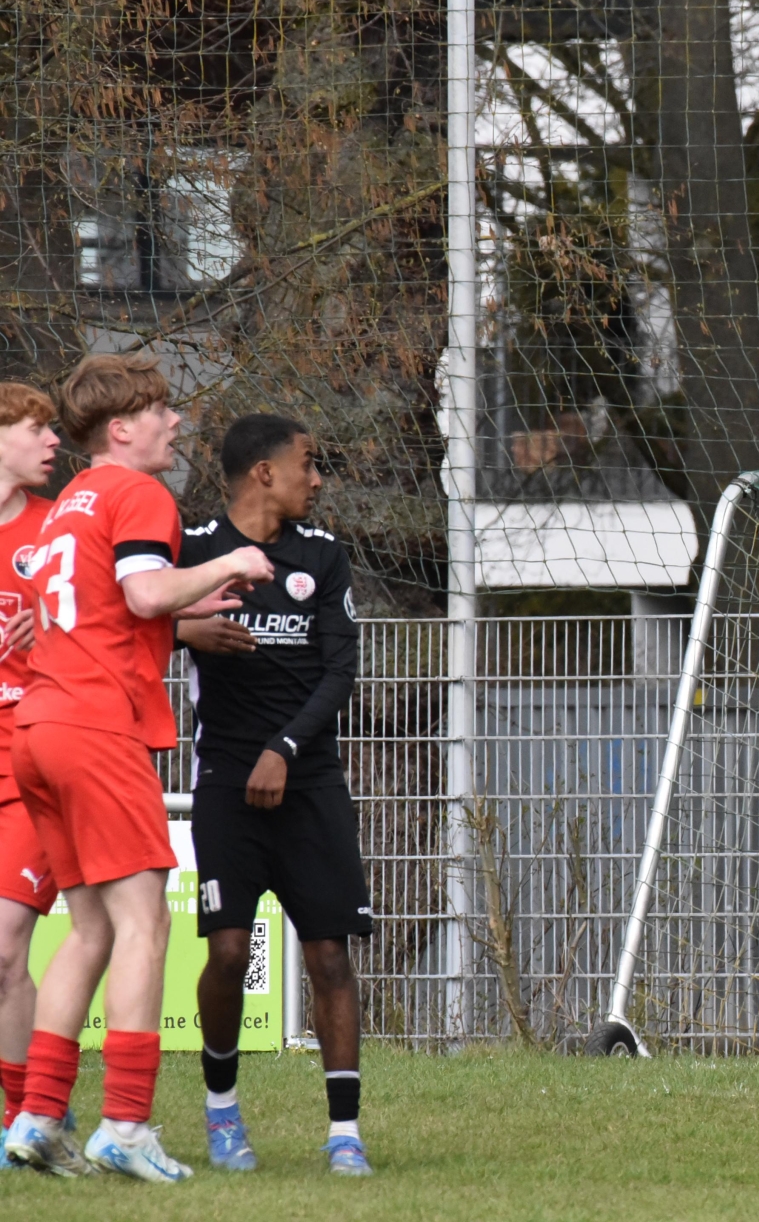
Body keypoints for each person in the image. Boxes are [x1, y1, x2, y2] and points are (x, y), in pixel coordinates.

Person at [1, 353, 273, 1182]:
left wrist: (179, 602)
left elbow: (101, 606)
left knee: (88, 930)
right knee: (144, 924)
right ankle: (125, 1122)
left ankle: (37, 1116)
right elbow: (146, 593)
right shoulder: (139, 493)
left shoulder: (67, 505)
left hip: (37, 728)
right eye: (160, 410)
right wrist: (229, 563)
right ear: (121, 429)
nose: (175, 421)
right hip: (95, 728)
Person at [175, 414, 370, 1174]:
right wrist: (185, 632)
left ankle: (345, 1133)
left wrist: (284, 749)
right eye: (308, 464)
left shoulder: (322, 555)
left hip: (309, 779)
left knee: (329, 956)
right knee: (229, 953)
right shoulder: (195, 549)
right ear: (264, 473)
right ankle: (222, 1112)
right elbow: (129, 619)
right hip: (225, 780)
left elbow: (340, 669)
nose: (316, 480)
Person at [0, 386, 64, 1162]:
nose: (51, 441)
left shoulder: (56, 527)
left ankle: (27, 1117)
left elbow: (110, 621)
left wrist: (48, 623)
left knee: (5, 947)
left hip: (30, 755)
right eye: (34, 427)